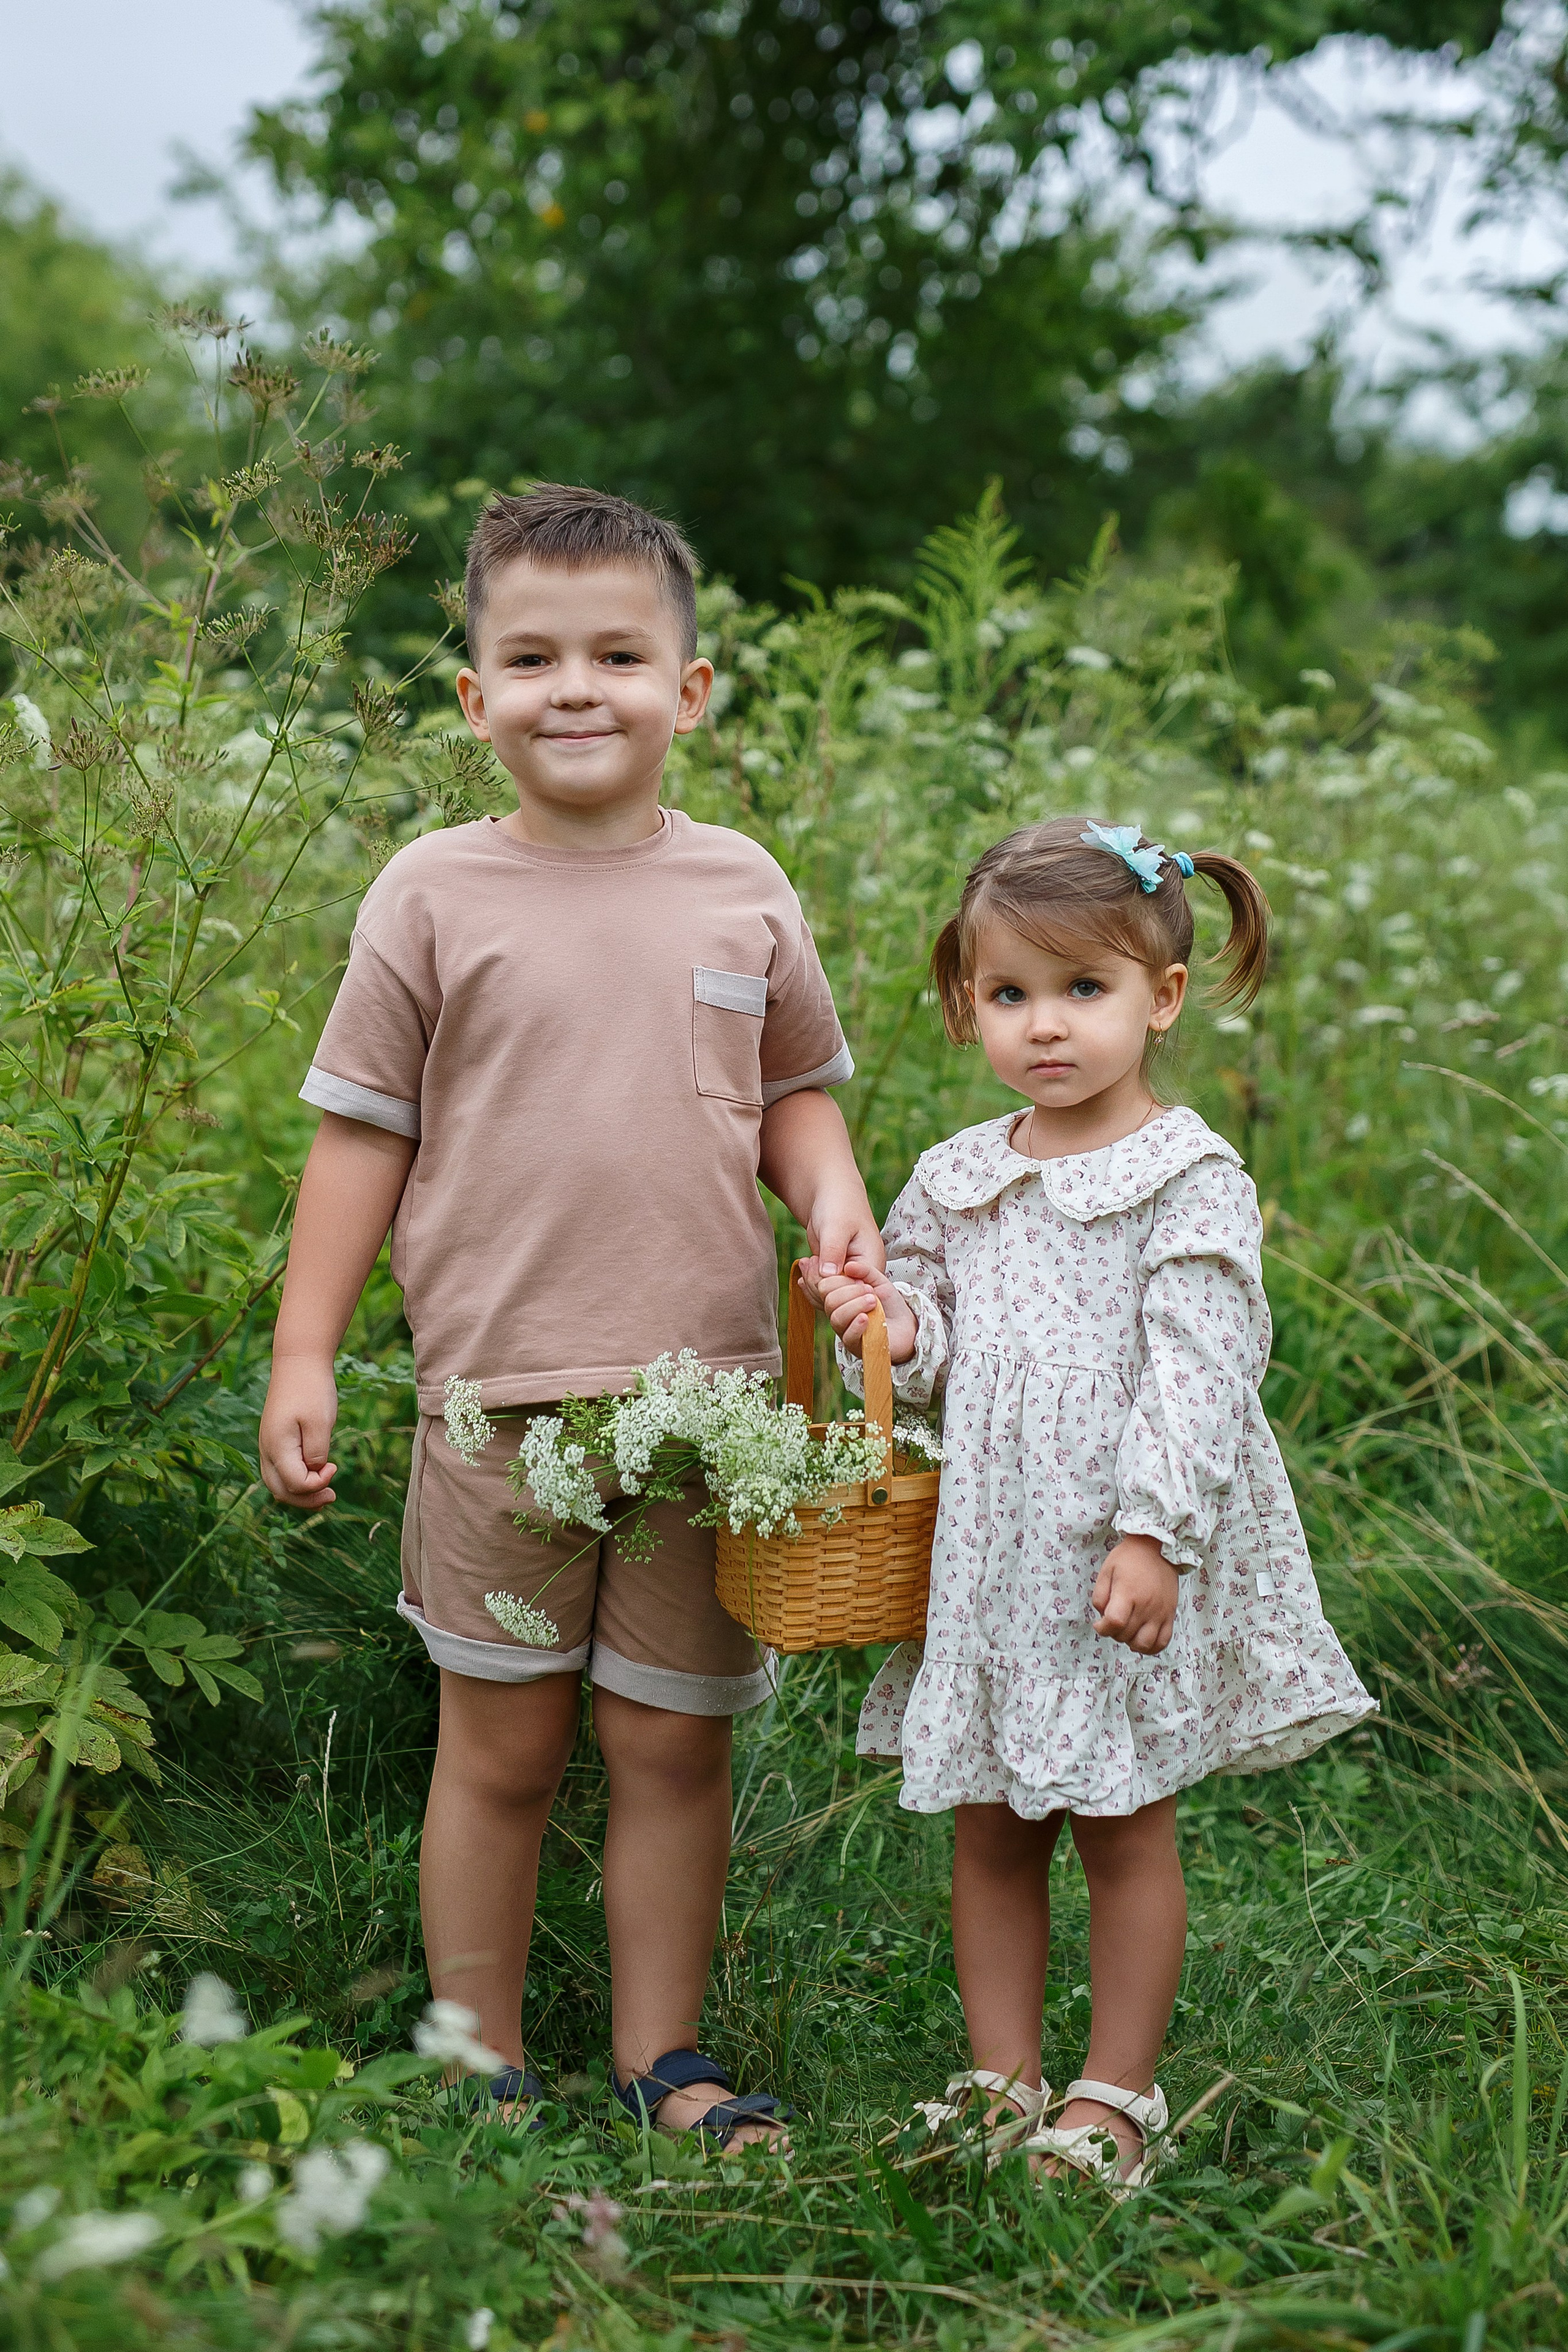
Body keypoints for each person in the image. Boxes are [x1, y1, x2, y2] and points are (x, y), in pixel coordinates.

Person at [258, 484, 882, 2149]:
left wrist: (832, 1200)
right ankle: (477, 2059)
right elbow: (360, 1136)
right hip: (501, 1403)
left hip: (711, 1416)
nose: (576, 688)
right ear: (476, 698)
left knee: (669, 1746)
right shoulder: (432, 893)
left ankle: (663, 2059)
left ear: (691, 689)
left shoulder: (742, 885)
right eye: (532, 658)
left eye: (618, 653)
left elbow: (795, 1096)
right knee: (504, 1745)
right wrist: (306, 1351)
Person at [816, 816, 1374, 2191]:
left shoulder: (1185, 1177)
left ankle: (1116, 2093)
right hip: (995, 1558)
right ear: (968, 1004)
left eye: (1083, 989)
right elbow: (932, 1345)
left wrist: (1151, 1535)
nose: (1046, 1025)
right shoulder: (959, 1174)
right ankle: (1000, 2078)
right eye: (1009, 993)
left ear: (1161, 997)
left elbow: (1202, 1371)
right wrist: (887, 1324)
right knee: (992, 1823)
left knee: (1123, 1827)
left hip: (1116, 1554)